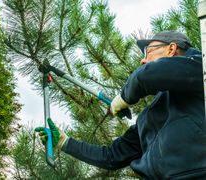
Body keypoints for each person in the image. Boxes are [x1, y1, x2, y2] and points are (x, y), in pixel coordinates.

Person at [35, 31, 206, 179]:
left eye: (148, 52)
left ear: (171, 49)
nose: (142, 60)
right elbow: (111, 156)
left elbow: (146, 76)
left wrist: (124, 97)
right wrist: (65, 143)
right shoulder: (148, 118)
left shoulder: (200, 66)